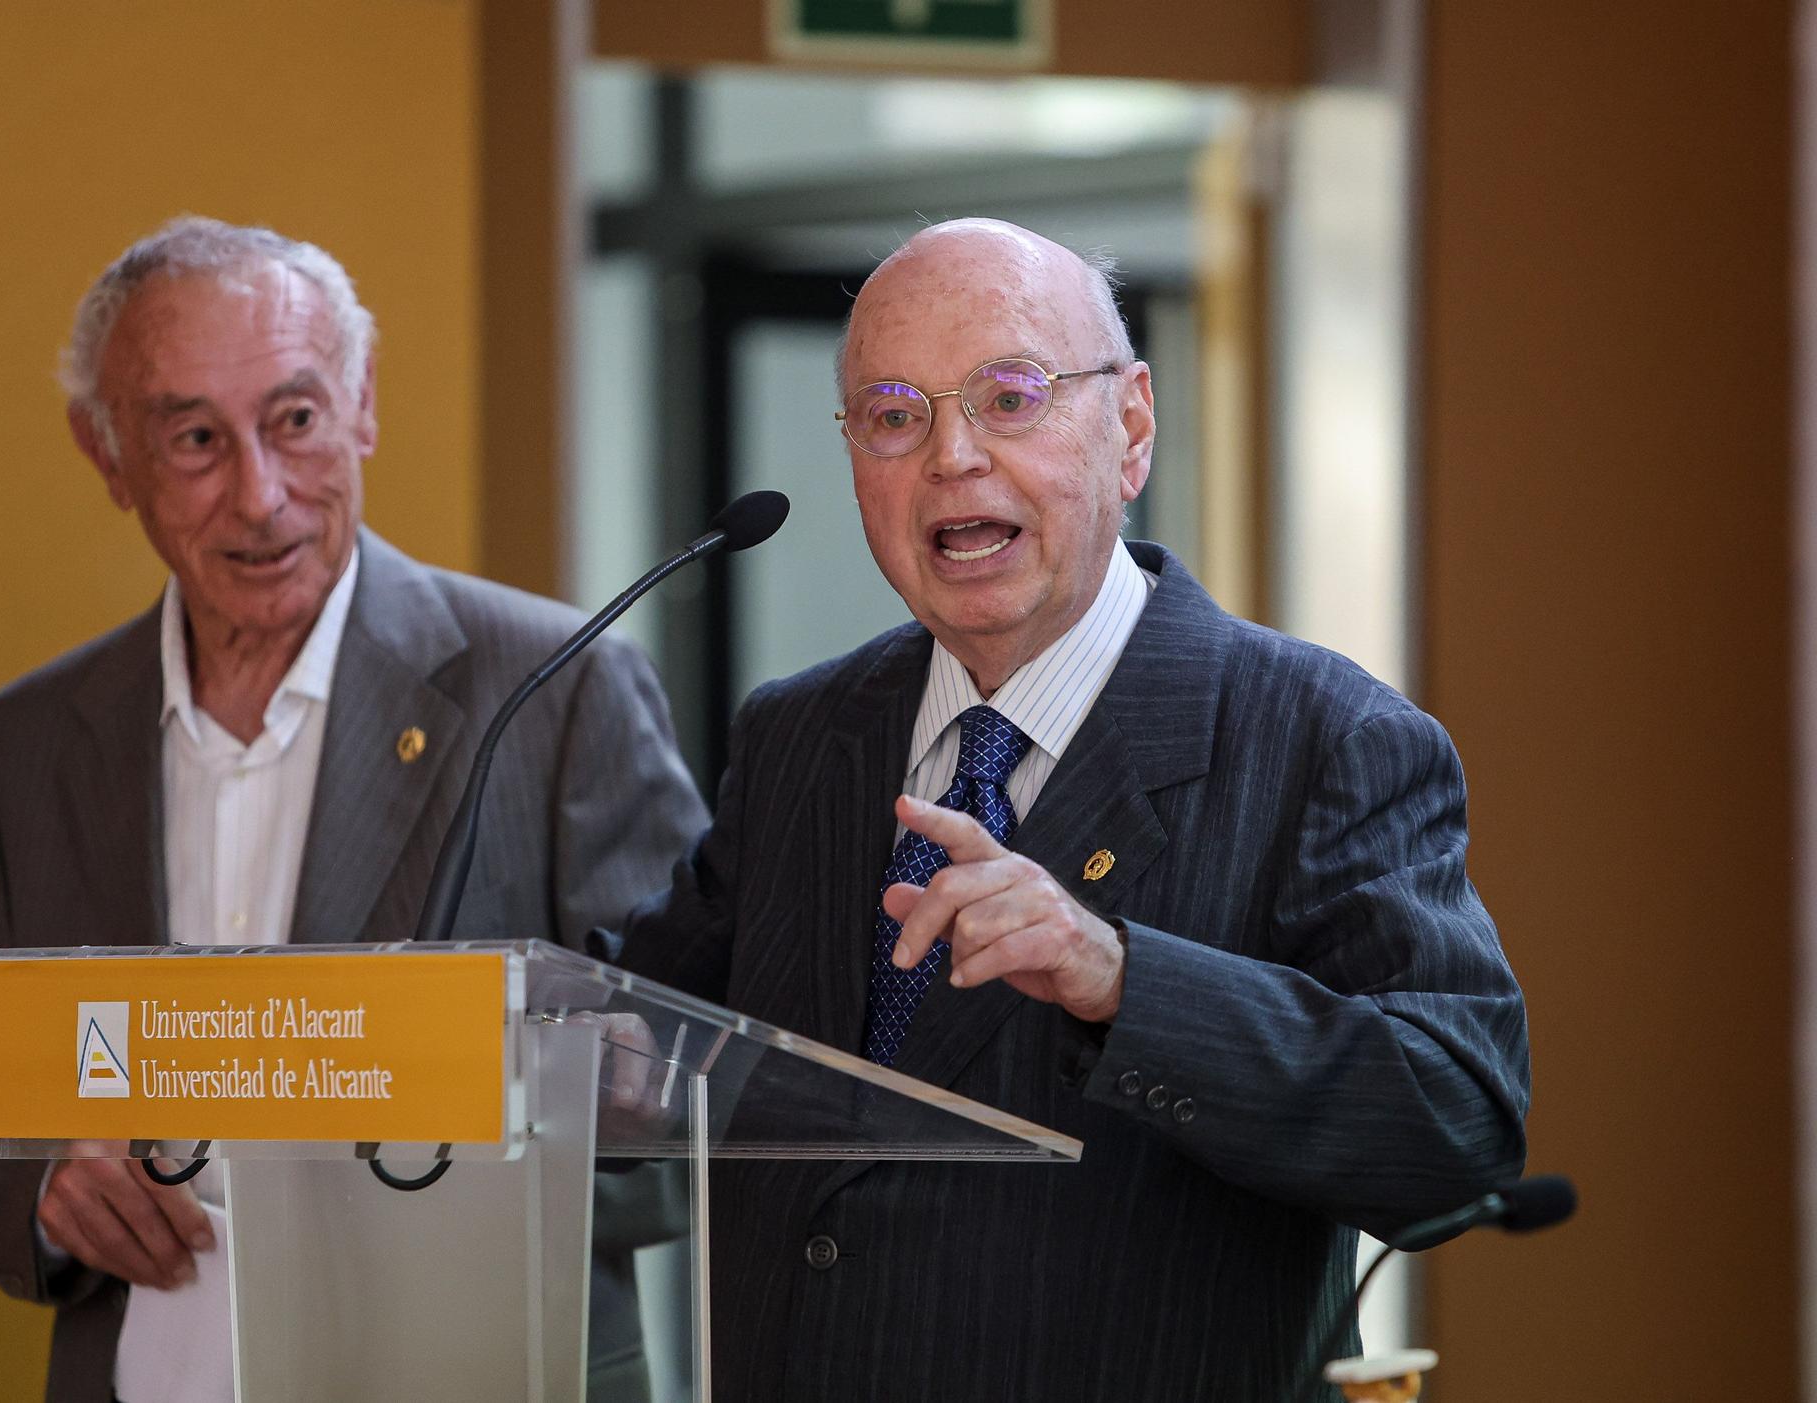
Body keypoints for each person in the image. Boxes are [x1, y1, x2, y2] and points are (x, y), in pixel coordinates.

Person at [616, 218, 1530, 1401]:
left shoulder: (1321, 738)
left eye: (1009, 396)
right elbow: (636, 1017)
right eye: (895, 414)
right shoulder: (802, 731)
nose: (950, 457)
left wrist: (1118, 978)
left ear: (1131, 424)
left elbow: (1454, 1123)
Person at [0, 217, 707, 1403]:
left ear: (362, 402)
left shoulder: (555, 686)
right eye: (193, 439)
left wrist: (524, 1115)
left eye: (294, 420)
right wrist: (45, 1191)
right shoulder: (19, 745)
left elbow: (693, 1105)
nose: (260, 493)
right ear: (106, 452)